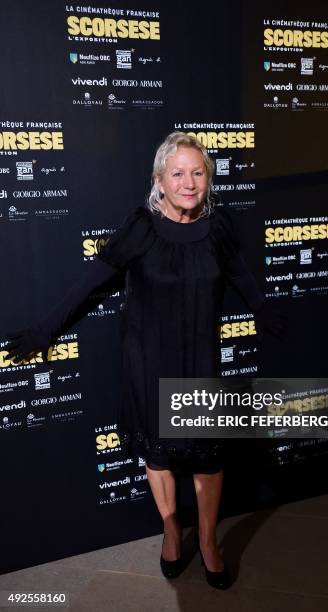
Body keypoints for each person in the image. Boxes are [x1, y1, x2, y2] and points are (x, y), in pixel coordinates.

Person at [7, 131, 286, 590]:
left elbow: (239, 273)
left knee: (207, 461)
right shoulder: (140, 226)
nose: (189, 182)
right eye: (178, 173)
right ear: (159, 180)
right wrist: (45, 329)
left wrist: (262, 308)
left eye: (198, 172)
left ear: (209, 179)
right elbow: (88, 282)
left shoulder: (219, 226)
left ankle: (210, 541)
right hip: (149, 362)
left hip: (199, 362)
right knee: (157, 456)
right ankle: (172, 531)